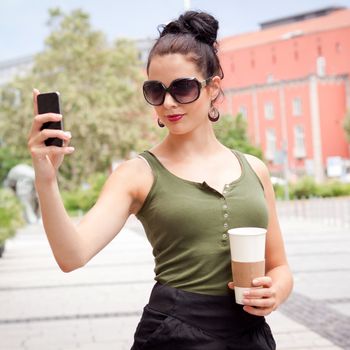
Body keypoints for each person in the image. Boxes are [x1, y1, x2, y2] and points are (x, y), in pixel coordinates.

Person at [28, 10, 293, 350]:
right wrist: (46, 180)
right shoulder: (137, 173)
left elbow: (280, 266)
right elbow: (72, 255)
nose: (168, 103)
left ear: (212, 88)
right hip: (175, 335)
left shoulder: (255, 169)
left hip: (250, 337)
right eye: (156, 90)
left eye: (182, 88)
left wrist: (276, 291)